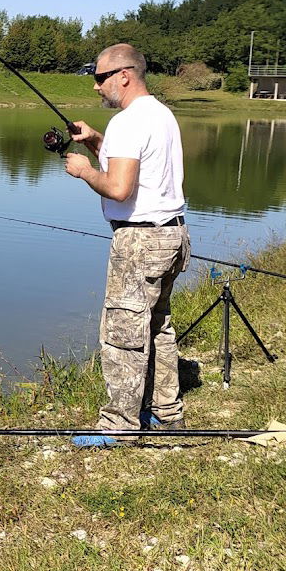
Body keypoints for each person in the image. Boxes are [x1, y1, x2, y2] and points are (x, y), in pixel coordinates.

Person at [62, 43, 190, 448]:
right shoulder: (161, 114)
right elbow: (138, 169)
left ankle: (120, 425)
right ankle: (167, 413)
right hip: (173, 234)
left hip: (140, 240)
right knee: (158, 327)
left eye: (100, 78)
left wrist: (83, 171)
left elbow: (119, 187)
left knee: (122, 333)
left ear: (125, 75)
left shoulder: (128, 121)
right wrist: (97, 143)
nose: (96, 86)